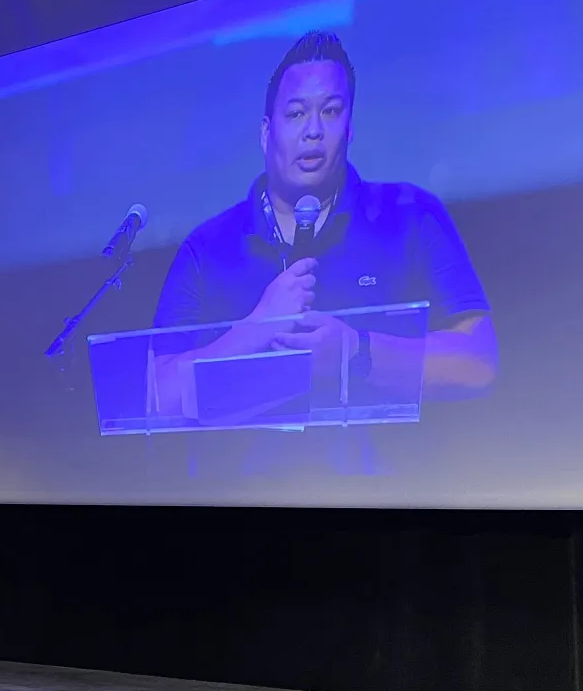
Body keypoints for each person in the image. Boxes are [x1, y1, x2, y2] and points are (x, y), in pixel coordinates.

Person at [152, 30, 497, 420]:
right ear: (266, 133)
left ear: (349, 128)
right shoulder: (207, 249)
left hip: (391, 462)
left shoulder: (412, 216)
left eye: (331, 111)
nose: (313, 130)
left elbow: (479, 362)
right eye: (296, 114)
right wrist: (255, 328)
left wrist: (356, 353)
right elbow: (159, 396)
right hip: (243, 462)